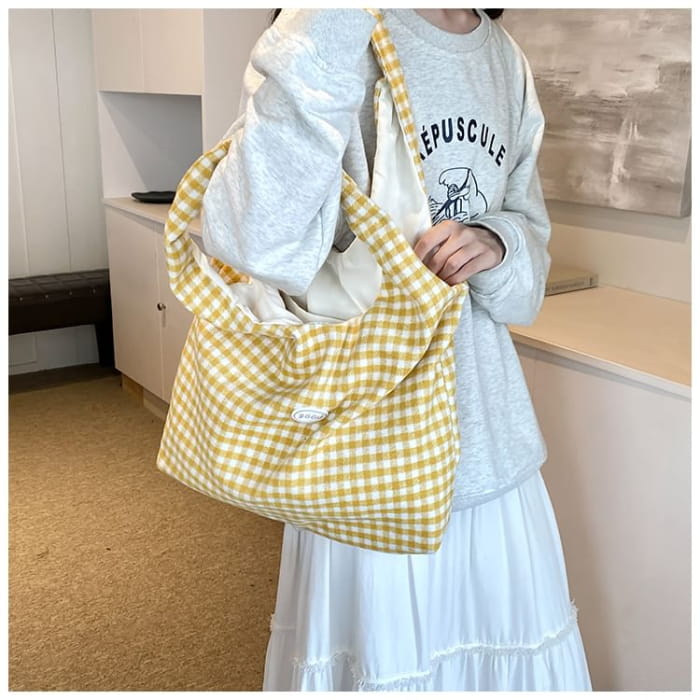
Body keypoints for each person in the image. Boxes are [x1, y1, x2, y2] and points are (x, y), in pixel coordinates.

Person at [201, 8, 592, 692]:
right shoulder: (331, 25)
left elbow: (525, 271)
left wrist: (497, 242)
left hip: (491, 446)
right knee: (383, 663)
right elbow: (256, 238)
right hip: (368, 450)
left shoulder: (504, 56)